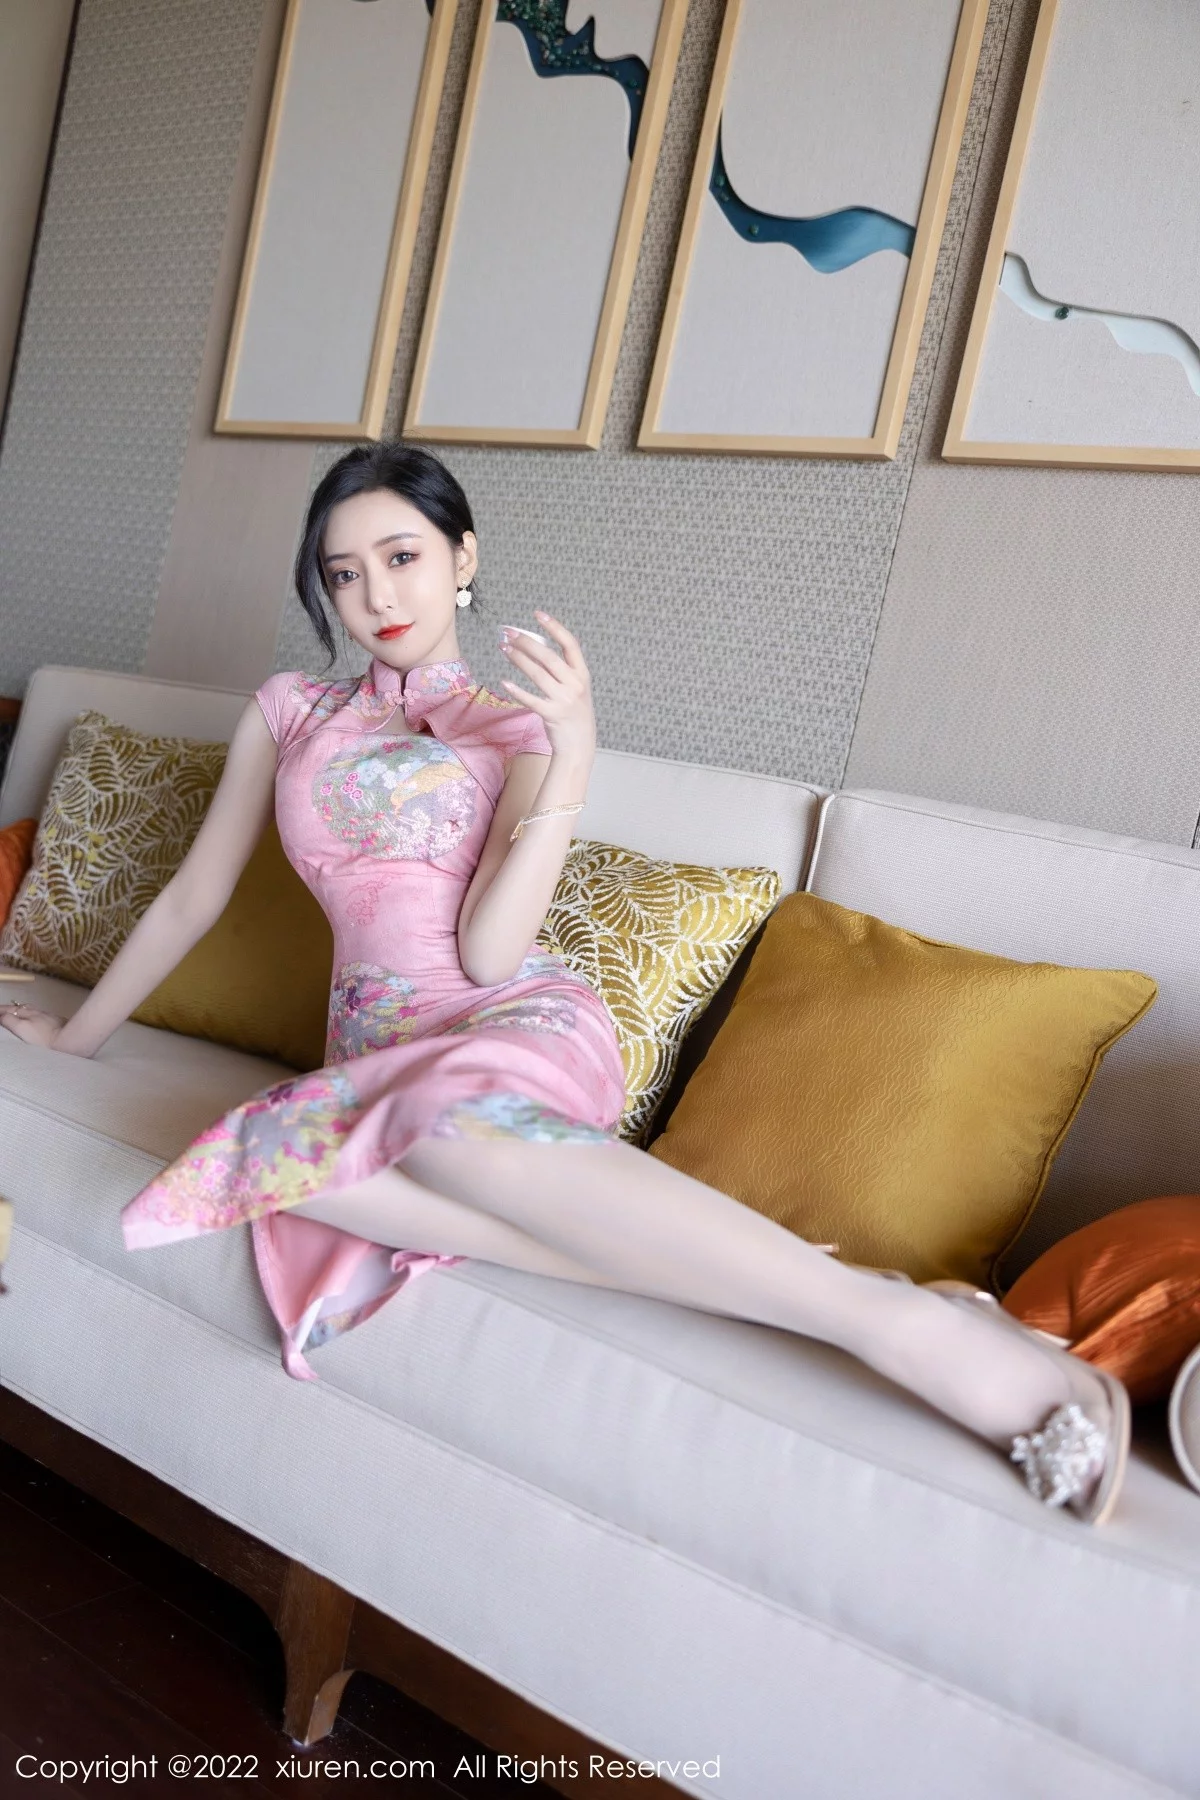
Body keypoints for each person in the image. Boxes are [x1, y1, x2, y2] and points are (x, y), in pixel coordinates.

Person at [0, 443, 1129, 1520]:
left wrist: (574, 752)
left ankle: (897, 1330)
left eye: (402, 556)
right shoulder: (290, 711)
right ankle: (838, 1293)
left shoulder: (516, 729)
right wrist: (78, 1037)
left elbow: (490, 955)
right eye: (343, 573)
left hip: (509, 1019)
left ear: (463, 557)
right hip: (380, 1053)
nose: (376, 595)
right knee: (272, 1165)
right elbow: (192, 897)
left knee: (437, 1130)